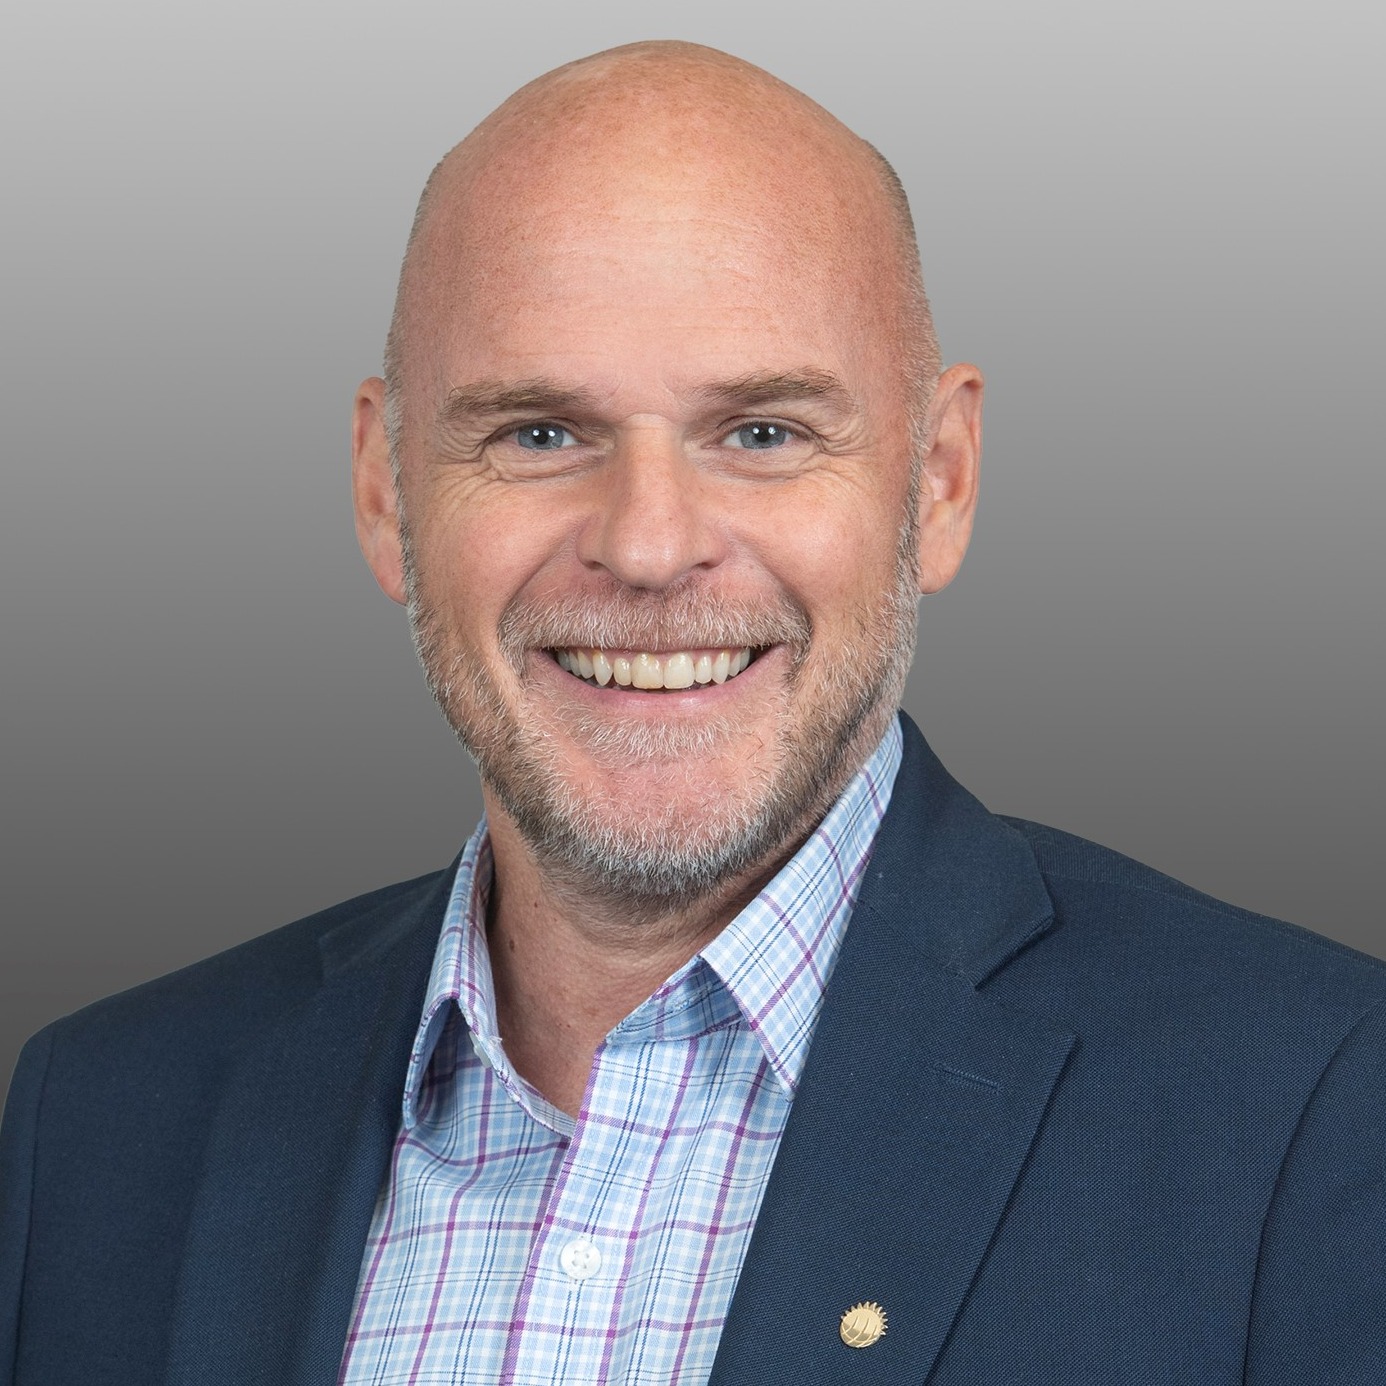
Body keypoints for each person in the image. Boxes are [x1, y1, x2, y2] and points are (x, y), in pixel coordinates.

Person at [2, 38, 1383, 1385]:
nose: (651, 546)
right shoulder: (99, 1125)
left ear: (940, 479)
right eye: (540, 433)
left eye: (763, 433)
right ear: (384, 490)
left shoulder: (1312, 1107)